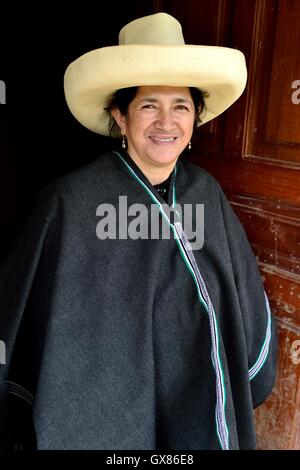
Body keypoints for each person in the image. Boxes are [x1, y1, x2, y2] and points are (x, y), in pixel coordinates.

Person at [0, 12, 277, 450]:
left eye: (181, 106)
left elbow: (238, 294)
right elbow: (32, 321)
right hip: (100, 410)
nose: (166, 123)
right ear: (120, 116)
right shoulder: (71, 203)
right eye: (149, 105)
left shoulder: (205, 194)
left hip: (194, 399)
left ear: (195, 121)